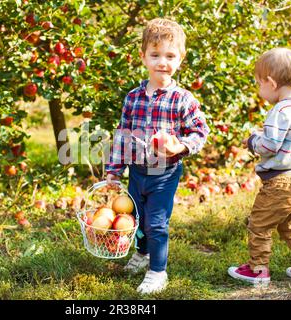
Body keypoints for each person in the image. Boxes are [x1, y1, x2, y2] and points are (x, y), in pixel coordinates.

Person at [105, 18, 210, 294]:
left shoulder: (183, 99)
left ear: (180, 59)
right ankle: (143, 253)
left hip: (164, 173)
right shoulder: (133, 98)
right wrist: (114, 170)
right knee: (137, 218)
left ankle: (157, 272)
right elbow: (122, 136)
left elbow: (200, 132)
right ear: (143, 57)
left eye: (170, 56)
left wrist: (181, 146)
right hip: (137, 172)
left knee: (156, 223)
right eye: (155, 55)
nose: (162, 62)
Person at [228, 48, 291, 284]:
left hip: (280, 182)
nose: (259, 89)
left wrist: (253, 140)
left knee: (258, 224)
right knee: (289, 223)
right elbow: (288, 142)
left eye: (259, 83)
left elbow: (269, 146)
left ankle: (258, 269)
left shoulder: (279, 111)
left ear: (270, 82)